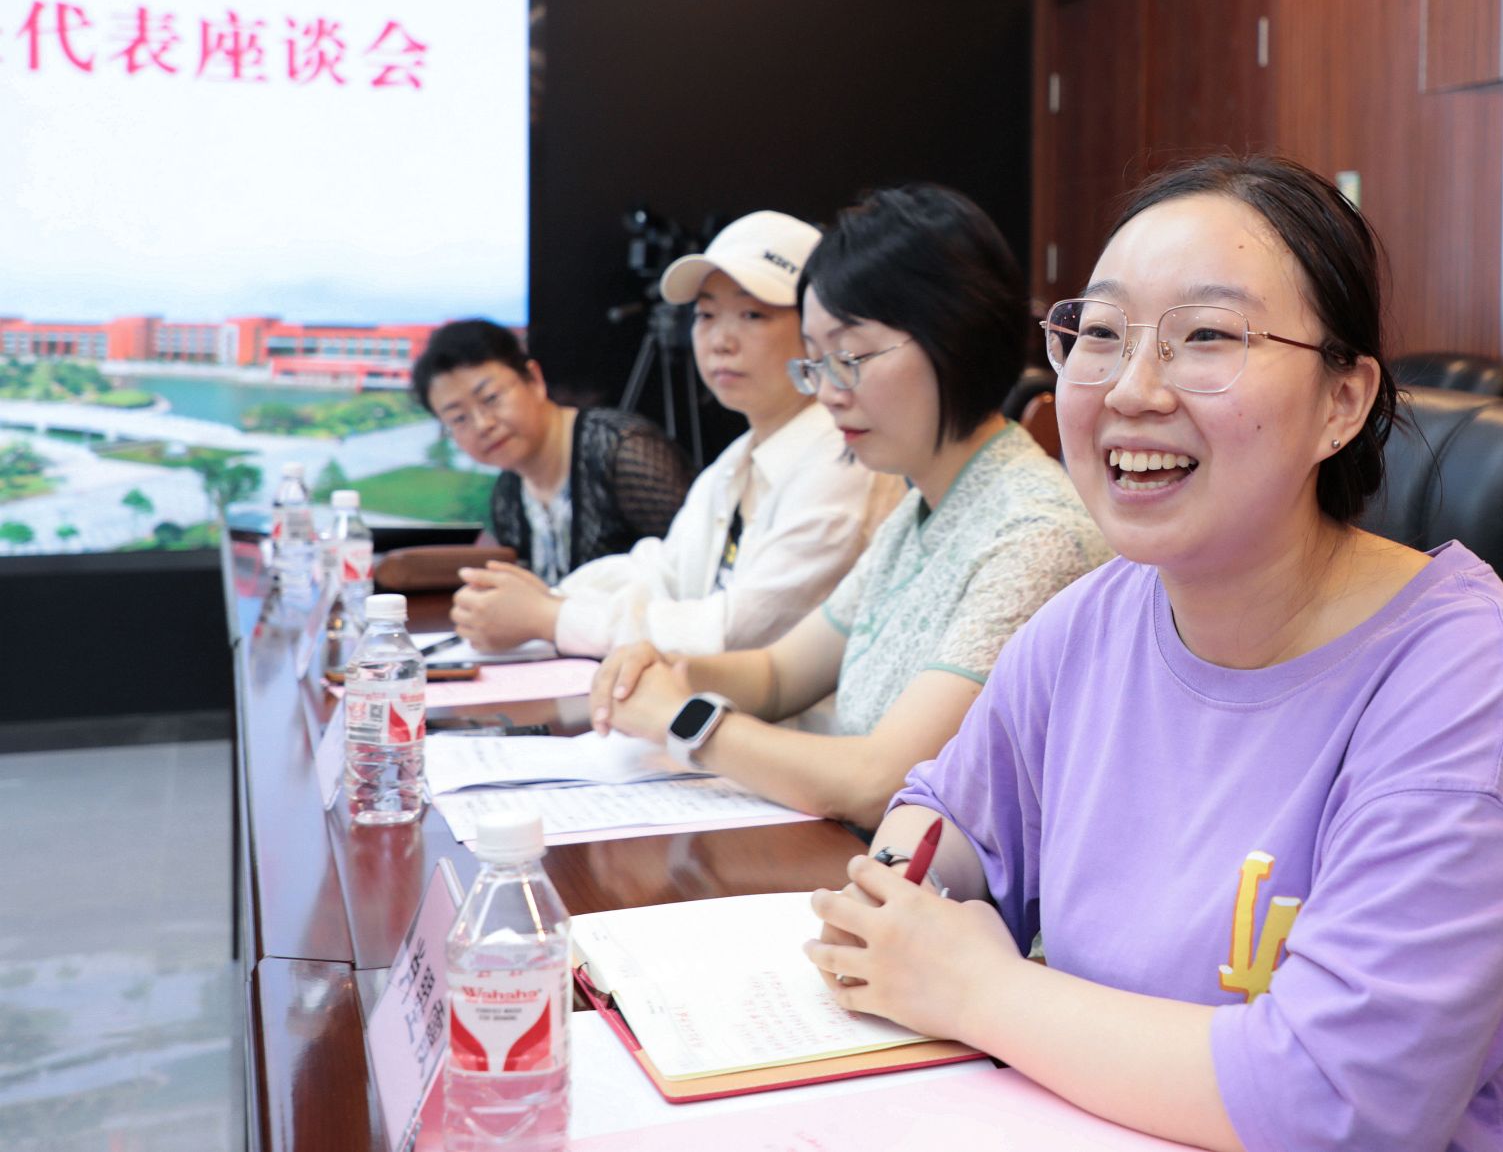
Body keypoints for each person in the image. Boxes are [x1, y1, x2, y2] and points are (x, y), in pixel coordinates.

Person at [799, 158, 1503, 1152]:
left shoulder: (1464, 671)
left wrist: (978, 989)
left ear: (1342, 402)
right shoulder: (1090, 620)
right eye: (1101, 334)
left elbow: (1338, 1105)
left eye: (1206, 335)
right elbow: (946, 817)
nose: (1132, 388)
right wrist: (905, 887)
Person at [587, 183, 1111, 830]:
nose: (827, 392)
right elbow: (780, 674)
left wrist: (682, 716)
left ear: (957, 336)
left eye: (849, 356)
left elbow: (880, 780)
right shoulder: (923, 507)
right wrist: (669, 671)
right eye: (815, 362)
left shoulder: (1034, 533)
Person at [446, 213, 900, 660]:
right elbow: (662, 571)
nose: (720, 341)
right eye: (705, 314)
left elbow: (740, 633)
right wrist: (546, 599)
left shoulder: (844, 457)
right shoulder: (738, 460)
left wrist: (551, 616)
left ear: (819, 329)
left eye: (752, 314)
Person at [412, 320, 691, 590]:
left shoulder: (622, 450)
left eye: (491, 398)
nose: (482, 424)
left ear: (534, 379)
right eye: (458, 418)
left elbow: (698, 572)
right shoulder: (507, 494)